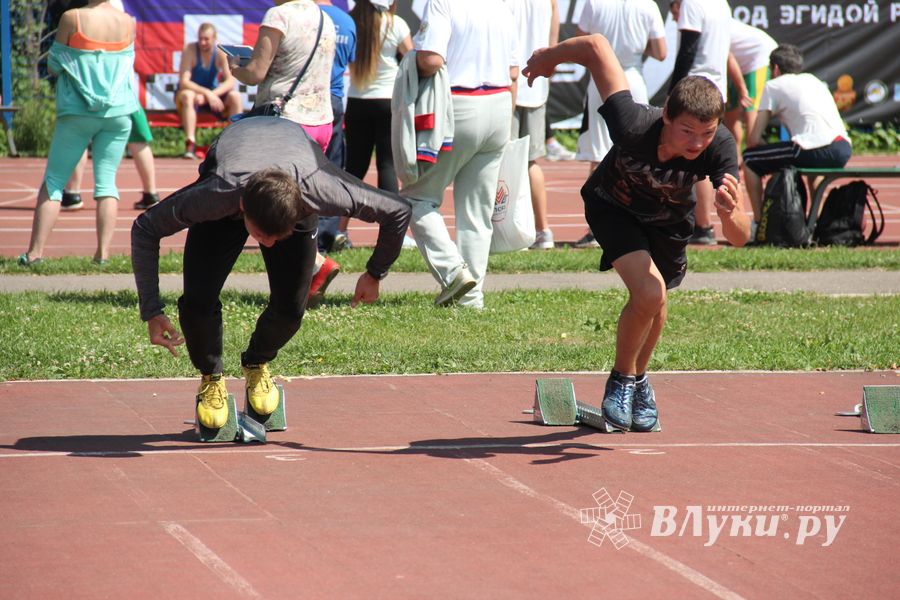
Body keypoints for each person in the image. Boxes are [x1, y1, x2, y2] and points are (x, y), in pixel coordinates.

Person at [523, 33, 750, 431]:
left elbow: (741, 237)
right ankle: (622, 380)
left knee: (656, 307)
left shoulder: (720, 148)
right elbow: (595, 47)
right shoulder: (634, 124)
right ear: (666, 116)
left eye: (707, 132)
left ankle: (638, 379)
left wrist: (729, 214)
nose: (697, 143)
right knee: (649, 292)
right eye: (687, 131)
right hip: (614, 208)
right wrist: (549, 57)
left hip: (667, 223)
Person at [131, 116, 411, 429]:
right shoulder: (215, 195)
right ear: (243, 211)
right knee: (198, 300)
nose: (268, 244)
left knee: (292, 307)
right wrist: (152, 310)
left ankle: (256, 362)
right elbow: (145, 228)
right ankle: (211, 376)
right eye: (262, 236)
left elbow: (398, 211)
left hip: (297, 169)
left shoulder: (322, 191)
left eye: (279, 236)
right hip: (233, 172)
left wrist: (374, 273)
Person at [399, 0, 518, 309]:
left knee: (415, 198)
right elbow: (513, 71)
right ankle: (471, 297)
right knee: (477, 211)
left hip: (460, 105)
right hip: (500, 103)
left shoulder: (443, 2)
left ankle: (453, 273)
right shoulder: (503, 7)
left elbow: (431, 59)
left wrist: (412, 58)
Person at [230, 0, 340, 307]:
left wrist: (236, 67)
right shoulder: (324, 16)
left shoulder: (278, 16)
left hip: (286, 120)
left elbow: (256, 72)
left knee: (269, 202)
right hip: (321, 120)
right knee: (301, 201)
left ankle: (310, 271)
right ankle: (308, 273)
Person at [18, 0, 138, 266]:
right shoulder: (127, 21)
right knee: (107, 183)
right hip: (118, 111)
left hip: (77, 111)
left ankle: (35, 254)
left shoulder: (72, 18)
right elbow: (127, 61)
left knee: (54, 181)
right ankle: (103, 255)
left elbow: (54, 64)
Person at [571, 0, 667, 249]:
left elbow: (580, 44)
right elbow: (661, 51)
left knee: (599, 154)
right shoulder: (648, 6)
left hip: (601, 80)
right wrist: (635, 46)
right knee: (639, 152)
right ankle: (641, 219)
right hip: (633, 79)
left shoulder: (595, 3)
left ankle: (596, 228)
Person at [742, 44, 851, 230]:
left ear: (775, 68)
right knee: (809, 166)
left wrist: (765, 147)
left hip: (813, 148)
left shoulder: (773, 85)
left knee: (749, 160)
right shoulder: (813, 80)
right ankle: (815, 225)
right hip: (842, 148)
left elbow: (753, 139)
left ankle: (759, 225)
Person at [337, 0, 412, 251]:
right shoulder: (395, 24)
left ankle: (339, 231)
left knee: (353, 169)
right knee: (387, 165)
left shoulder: (350, 22)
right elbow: (412, 59)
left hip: (357, 101)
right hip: (388, 101)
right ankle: (392, 236)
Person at [668, 0, 732, 245]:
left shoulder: (693, 4)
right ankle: (701, 224)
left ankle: (702, 225)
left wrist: (673, 93)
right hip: (716, 88)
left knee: (695, 156)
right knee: (700, 155)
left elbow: (687, 50)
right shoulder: (720, 4)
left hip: (696, 89)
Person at [505, 0, 559, 250]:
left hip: (509, 82)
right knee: (531, 161)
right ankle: (542, 230)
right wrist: (551, 61)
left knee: (506, 162)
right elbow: (554, 28)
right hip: (537, 85)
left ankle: (514, 231)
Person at [314, 0, 357, 253]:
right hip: (335, 99)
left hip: (309, 98)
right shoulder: (347, 21)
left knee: (302, 165)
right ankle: (328, 235)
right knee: (331, 168)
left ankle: (300, 232)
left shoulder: (307, 16)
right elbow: (350, 59)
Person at [62, 108, 161, 212]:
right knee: (137, 139)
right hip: (121, 102)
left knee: (79, 138)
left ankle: (72, 194)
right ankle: (150, 193)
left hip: (87, 101)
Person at [175, 23, 243, 159]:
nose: (202, 42)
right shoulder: (190, 49)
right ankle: (190, 143)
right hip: (193, 94)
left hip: (212, 96)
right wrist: (207, 93)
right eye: (200, 38)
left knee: (235, 96)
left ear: (214, 38)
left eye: (206, 39)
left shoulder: (220, 52)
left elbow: (230, 81)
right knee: (188, 95)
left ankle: (235, 142)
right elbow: (184, 81)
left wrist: (212, 94)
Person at [723, 19, 777, 163]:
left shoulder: (712, 21)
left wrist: (742, 89)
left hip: (759, 57)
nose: (674, 17)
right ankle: (735, 159)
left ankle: (753, 158)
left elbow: (728, 58)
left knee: (750, 106)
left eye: (675, 12)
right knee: (730, 112)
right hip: (738, 65)